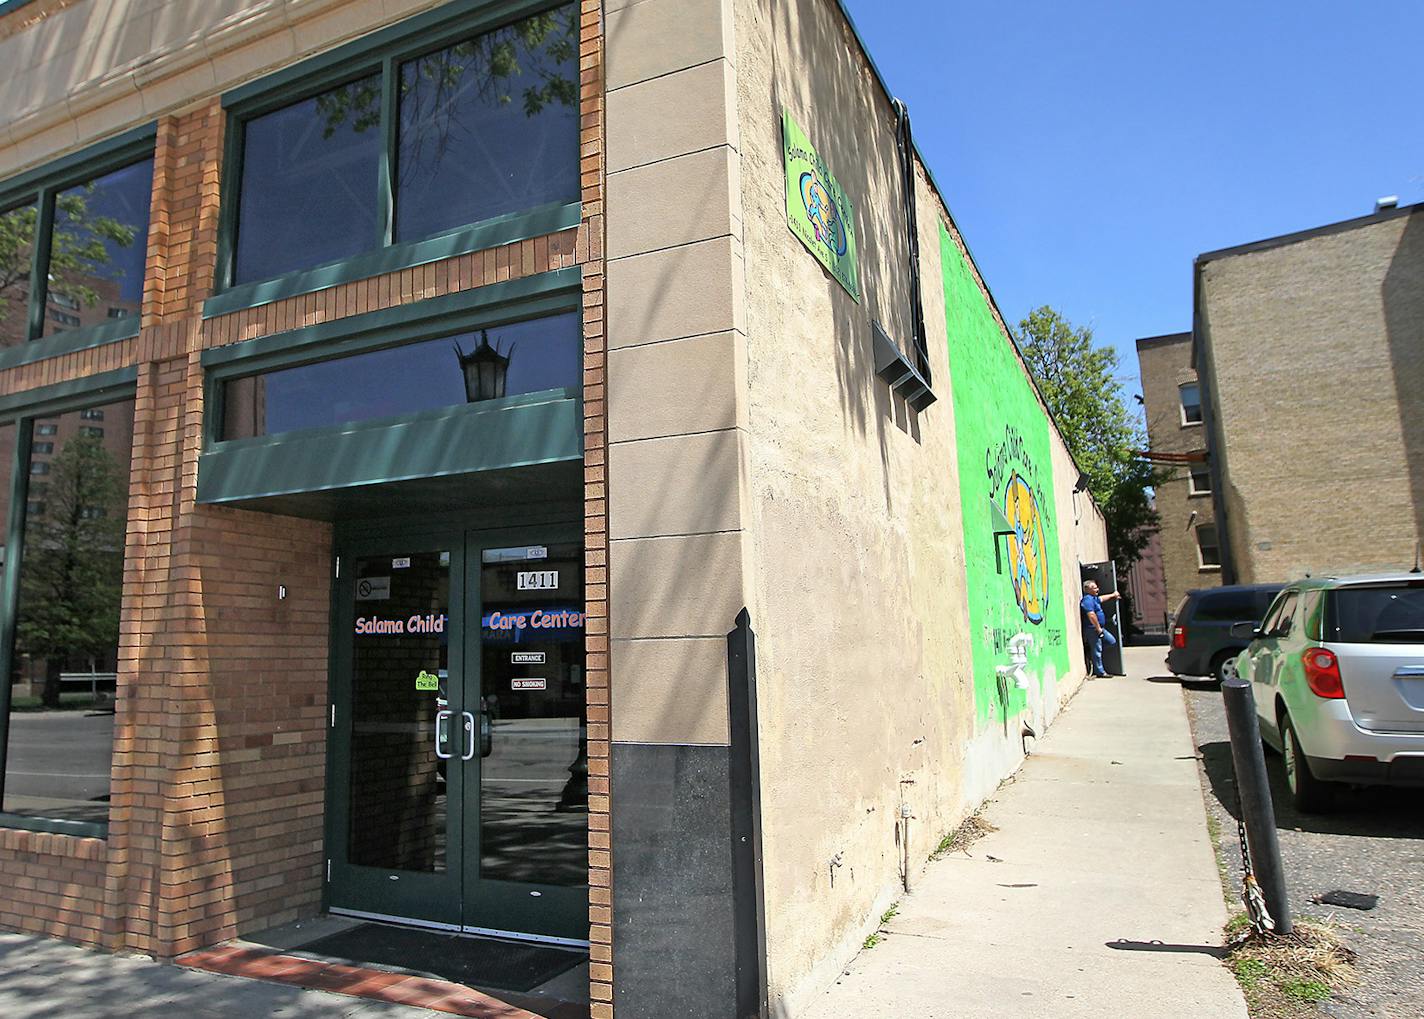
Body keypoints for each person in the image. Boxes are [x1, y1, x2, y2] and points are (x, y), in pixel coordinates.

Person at [1080, 580, 1120, 678]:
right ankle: (1100, 672)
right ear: (1087, 589)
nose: (1097, 589)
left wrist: (1112, 595)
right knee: (1097, 651)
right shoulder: (1087, 600)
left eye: (1096, 587)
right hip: (1093, 629)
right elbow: (1091, 615)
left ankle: (1090, 651)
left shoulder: (1094, 598)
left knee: (1111, 641)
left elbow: (1101, 599)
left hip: (1100, 628)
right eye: (1094, 588)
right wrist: (1098, 629)